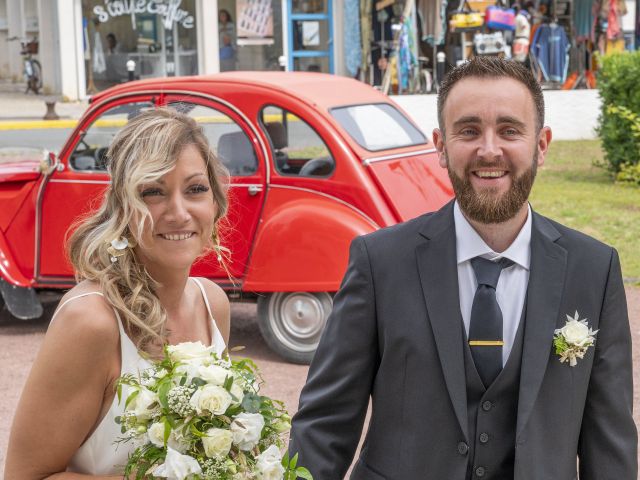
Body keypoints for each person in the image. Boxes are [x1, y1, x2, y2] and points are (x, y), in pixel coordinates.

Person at [289, 57, 637, 479]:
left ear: (541, 145)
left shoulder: (594, 271)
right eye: (469, 130)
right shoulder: (379, 263)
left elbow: (609, 442)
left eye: (509, 130)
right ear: (440, 145)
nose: (489, 150)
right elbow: (325, 425)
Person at [5, 108, 231, 478]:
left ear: (215, 202)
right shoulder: (92, 322)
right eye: (153, 192)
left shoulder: (213, 305)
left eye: (195, 189)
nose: (178, 212)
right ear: (123, 208)